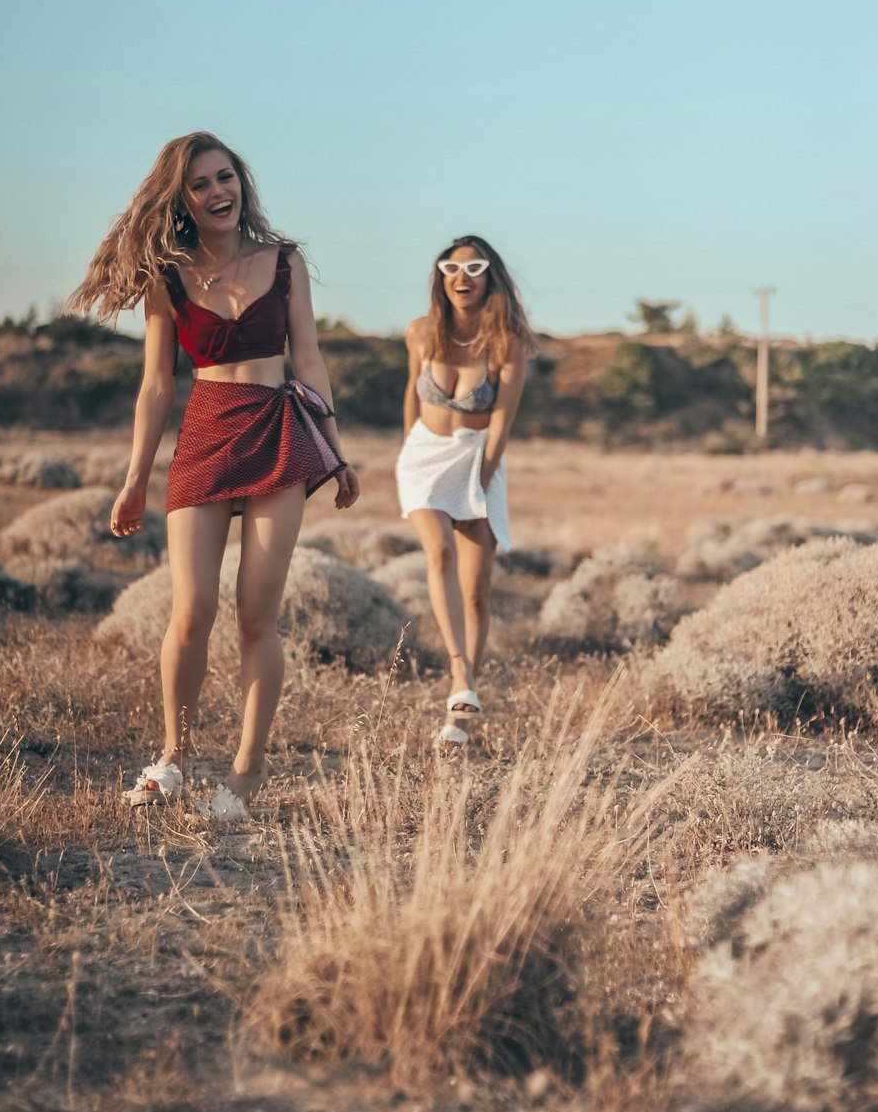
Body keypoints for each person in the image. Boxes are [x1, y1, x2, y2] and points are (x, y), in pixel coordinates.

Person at [67, 131, 359, 819]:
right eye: (200, 185)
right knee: (191, 607)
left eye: (225, 177)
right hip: (203, 435)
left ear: (242, 182)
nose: (217, 192)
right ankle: (173, 756)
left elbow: (309, 362)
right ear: (183, 199)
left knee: (257, 617)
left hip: (278, 434)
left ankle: (248, 773)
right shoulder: (165, 280)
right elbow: (156, 388)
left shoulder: (284, 262)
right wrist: (135, 478)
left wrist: (337, 449)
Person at [397, 235, 534, 743]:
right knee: (440, 555)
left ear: (489, 276)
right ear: (441, 276)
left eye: (475, 268)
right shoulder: (420, 333)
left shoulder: (507, 342)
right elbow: (411, 397)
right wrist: (406, 448)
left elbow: (502, 419)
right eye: (452, 268)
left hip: (479, 459)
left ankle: (458, 717)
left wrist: (482, 476)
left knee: (476, 593)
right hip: (424, 459)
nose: (463, 277)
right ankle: (460, 672)